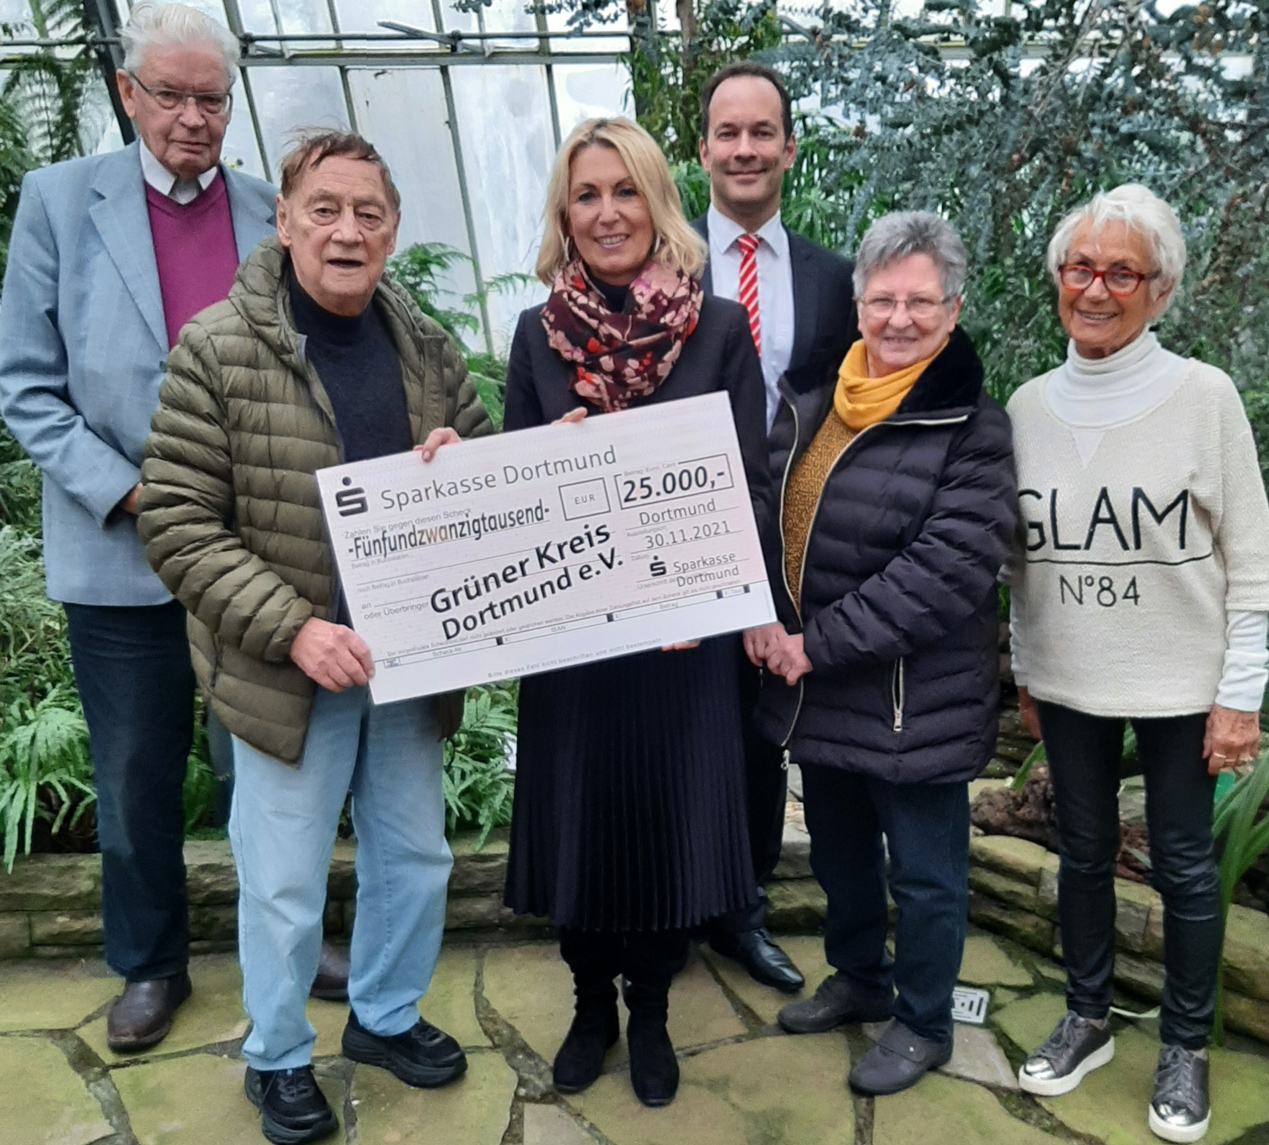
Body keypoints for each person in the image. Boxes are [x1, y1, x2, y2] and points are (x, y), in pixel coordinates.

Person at [138, 131, 492, 1145]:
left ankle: (383, 1013)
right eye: (325, 209)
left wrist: (463, 462)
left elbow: (486, 471)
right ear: (284, 220)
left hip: (406, 662)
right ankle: (278, 1054)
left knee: (414, 857)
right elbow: (177, 520)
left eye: (367, 213)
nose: (346, 231)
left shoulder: (423, 346)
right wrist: (295, 630)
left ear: (392, 229)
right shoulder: (217, 348)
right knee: (285, 881)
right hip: (287, 673)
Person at [0, 1, 277, 1053]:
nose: (193, 118)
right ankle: (152, 963)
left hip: (250, 555)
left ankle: (282, 941)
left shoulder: (269, 211)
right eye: (171, 95)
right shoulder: (60, 202)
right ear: (129, 92)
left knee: (266, 764)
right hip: (118, 546)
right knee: (131, 774)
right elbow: (26, 386)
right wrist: (130, 491)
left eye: (212, 99)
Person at [500, 117, 770, 1108]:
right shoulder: (536, 334)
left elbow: (751, 481)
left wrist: (711, 589)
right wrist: (543, 460)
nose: (607, 211)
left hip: (681, 640)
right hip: (573, 642)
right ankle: (589, 1007)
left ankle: (650, 1010)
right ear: (564, 214)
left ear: (657, 203)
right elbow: (510, 491)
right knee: (582, 825)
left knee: (666, 827)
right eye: (586, 194)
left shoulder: (718, 329)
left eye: (625, 190)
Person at [1007, 184, 1269, 1143]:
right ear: (1057, 280)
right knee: (1080, 852)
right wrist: (1026, 670)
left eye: (1122, 273)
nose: (1095, 289)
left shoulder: (1203, 398)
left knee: (1186, 867)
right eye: (1080, 268)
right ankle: (1085, 1015)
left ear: (1160, 290)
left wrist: (1239, 696)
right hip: (1069, 682)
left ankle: (1184, 1045)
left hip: (1179, 686)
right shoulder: (1027, 407)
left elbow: (1253, 558)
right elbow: (1019, 563)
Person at [750, 211, 1017, 1096]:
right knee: (839, 855)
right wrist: (758, 613)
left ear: (952, 309)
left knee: (926, 875)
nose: (898, 318)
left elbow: (943, 572)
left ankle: (924, 1020)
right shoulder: (813, 401)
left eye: (920, 302)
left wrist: (811, 645)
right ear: (857, 303)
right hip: (819, 686)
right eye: (882, 299)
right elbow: (766, 517)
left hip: (911, 698)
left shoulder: (971, 426)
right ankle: (858, 977)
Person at [692, 60, 860, 995]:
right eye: (729, 132)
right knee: (684, 719)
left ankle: (742, 909)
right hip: (680, 531)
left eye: (762, 132)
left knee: (762, 730)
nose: (745, 149)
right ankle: (678, 894)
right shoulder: (662, 260)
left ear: (788, 148)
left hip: (790, 543)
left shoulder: (834, 279)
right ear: (703, 149)